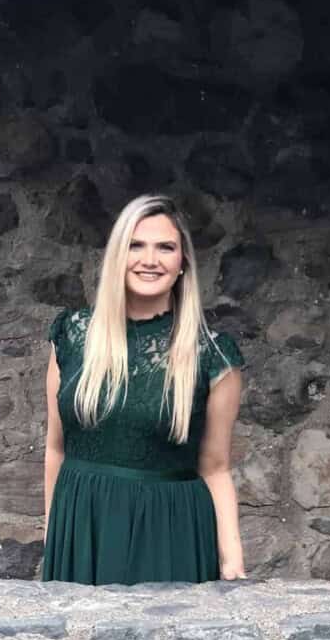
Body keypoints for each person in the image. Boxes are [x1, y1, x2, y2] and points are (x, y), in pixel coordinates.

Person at [42, 193, 247, 586]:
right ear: (117, 256)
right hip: (82, 529)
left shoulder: (213, 353)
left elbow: (216, 467)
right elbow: (56, 448)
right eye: (136, 245)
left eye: (165, 247)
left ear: (183, 262)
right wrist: (55, 536)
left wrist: (232, 558)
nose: (149, 260)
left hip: (170, 532)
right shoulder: (71, 335)